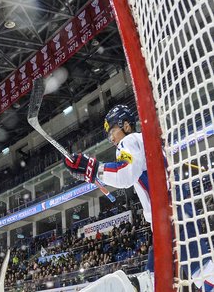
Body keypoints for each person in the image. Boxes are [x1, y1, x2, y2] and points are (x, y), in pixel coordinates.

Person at [64, 105, 213, 291]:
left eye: (113, 131)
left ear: (126, 125)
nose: (112, 138)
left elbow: (125, 173)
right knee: (155, 278)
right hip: (172, 214)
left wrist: (93, 168)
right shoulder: (146, 141)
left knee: (201, 272)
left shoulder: (130, 140)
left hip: (171, 215)